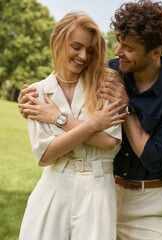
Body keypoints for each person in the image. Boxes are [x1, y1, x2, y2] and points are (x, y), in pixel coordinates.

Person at [18, 1, 162, 239]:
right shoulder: (109, 73)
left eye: (128, 47)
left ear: (156, 52)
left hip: (148, 201)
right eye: (119, 42)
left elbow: (153, 159)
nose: (117, 52)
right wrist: (29, 101)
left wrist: (126, 107)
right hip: (104, 189)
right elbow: (66, 80)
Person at [17, 12, 126, 240]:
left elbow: (108, 141)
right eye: (76, 47)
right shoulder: (36, 93)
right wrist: (94, 124)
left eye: (90, 50)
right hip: (53, 187)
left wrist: (58, 118)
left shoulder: (107, 84)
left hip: (98, 189)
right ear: (57, 40)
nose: (83, 56)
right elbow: (45, 155)